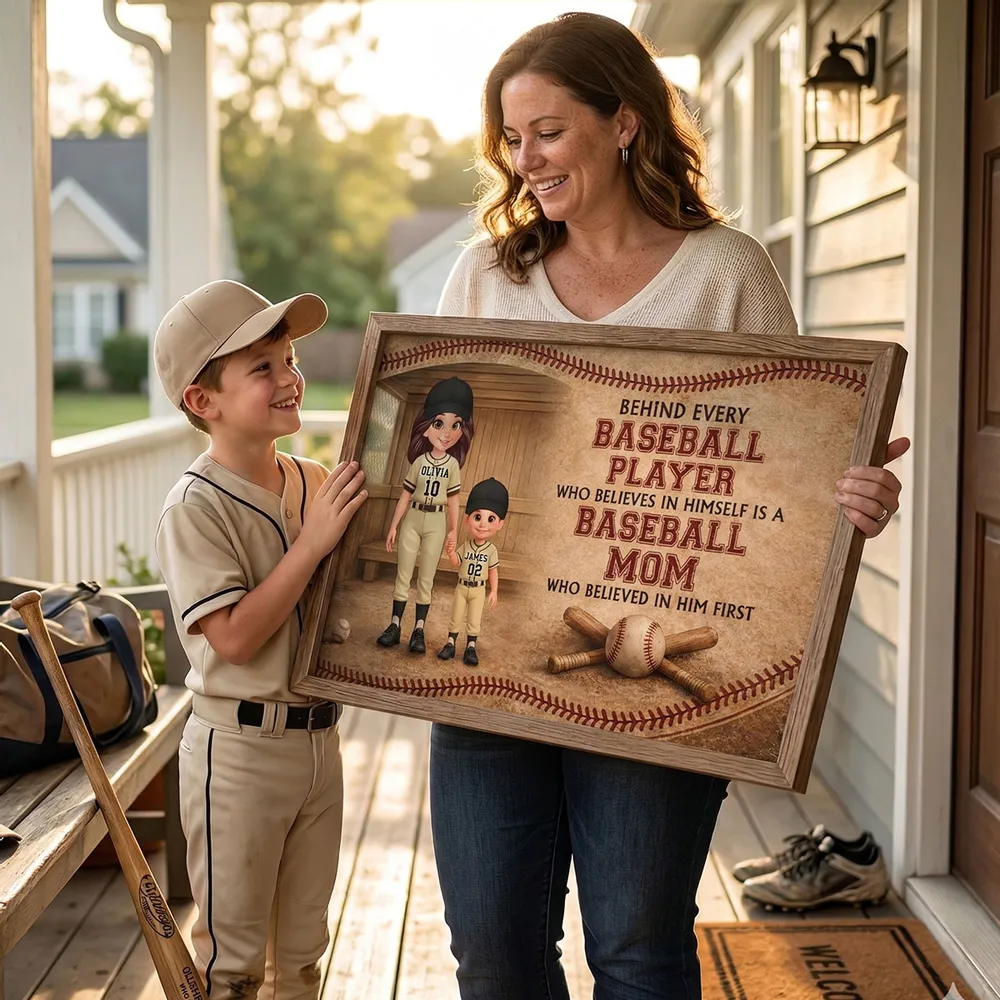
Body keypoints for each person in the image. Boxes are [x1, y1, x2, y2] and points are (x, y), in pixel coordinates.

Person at [428, 13, 909, 1000]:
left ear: (625, 123)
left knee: (639, 953)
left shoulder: (725, 274)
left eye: (547, 132)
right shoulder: (487, 273)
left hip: (662, 682)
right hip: (489, 665)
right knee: (493, 957)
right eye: (511, 140)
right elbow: (438, 441)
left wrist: (848, 495)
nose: (525, 162)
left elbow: (779, 478)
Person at [152, 279, 368, 1000]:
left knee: (302, 956)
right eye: (262, 367)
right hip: (238, 755)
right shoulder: (194, 506)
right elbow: (236, 638)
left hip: (319, 744)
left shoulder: (314, 482)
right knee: (234, 967)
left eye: (290, 357)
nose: (290, 378)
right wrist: (311, 545)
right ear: (202, 401)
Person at [376, 377, 475, 653]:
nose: (446, 432)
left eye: (455, 425)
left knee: (426, 578)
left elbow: (454, 500)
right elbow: (405, 496)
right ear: (426, 428)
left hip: (436, 520)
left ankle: (418, 630)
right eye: (438, 423)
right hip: (413, 518)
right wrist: (394, 525)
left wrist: (454, 530)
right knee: (403, 574)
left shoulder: (453, 465)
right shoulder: (419, 462)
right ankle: (395, 625)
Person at [437, 476, 508, 666]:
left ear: (499, 524)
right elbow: (455, 563)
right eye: (478, 517)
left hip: (478, 589)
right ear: (468, 519)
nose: (483, 524)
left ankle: (470, 648)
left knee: (474, 619)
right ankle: (450, 644)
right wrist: (451, 552)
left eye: (490, 518)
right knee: (456, 615)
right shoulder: (466, 546)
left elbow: (493, 571)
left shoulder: (491, 550)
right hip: (462, 587)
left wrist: (493, 591)